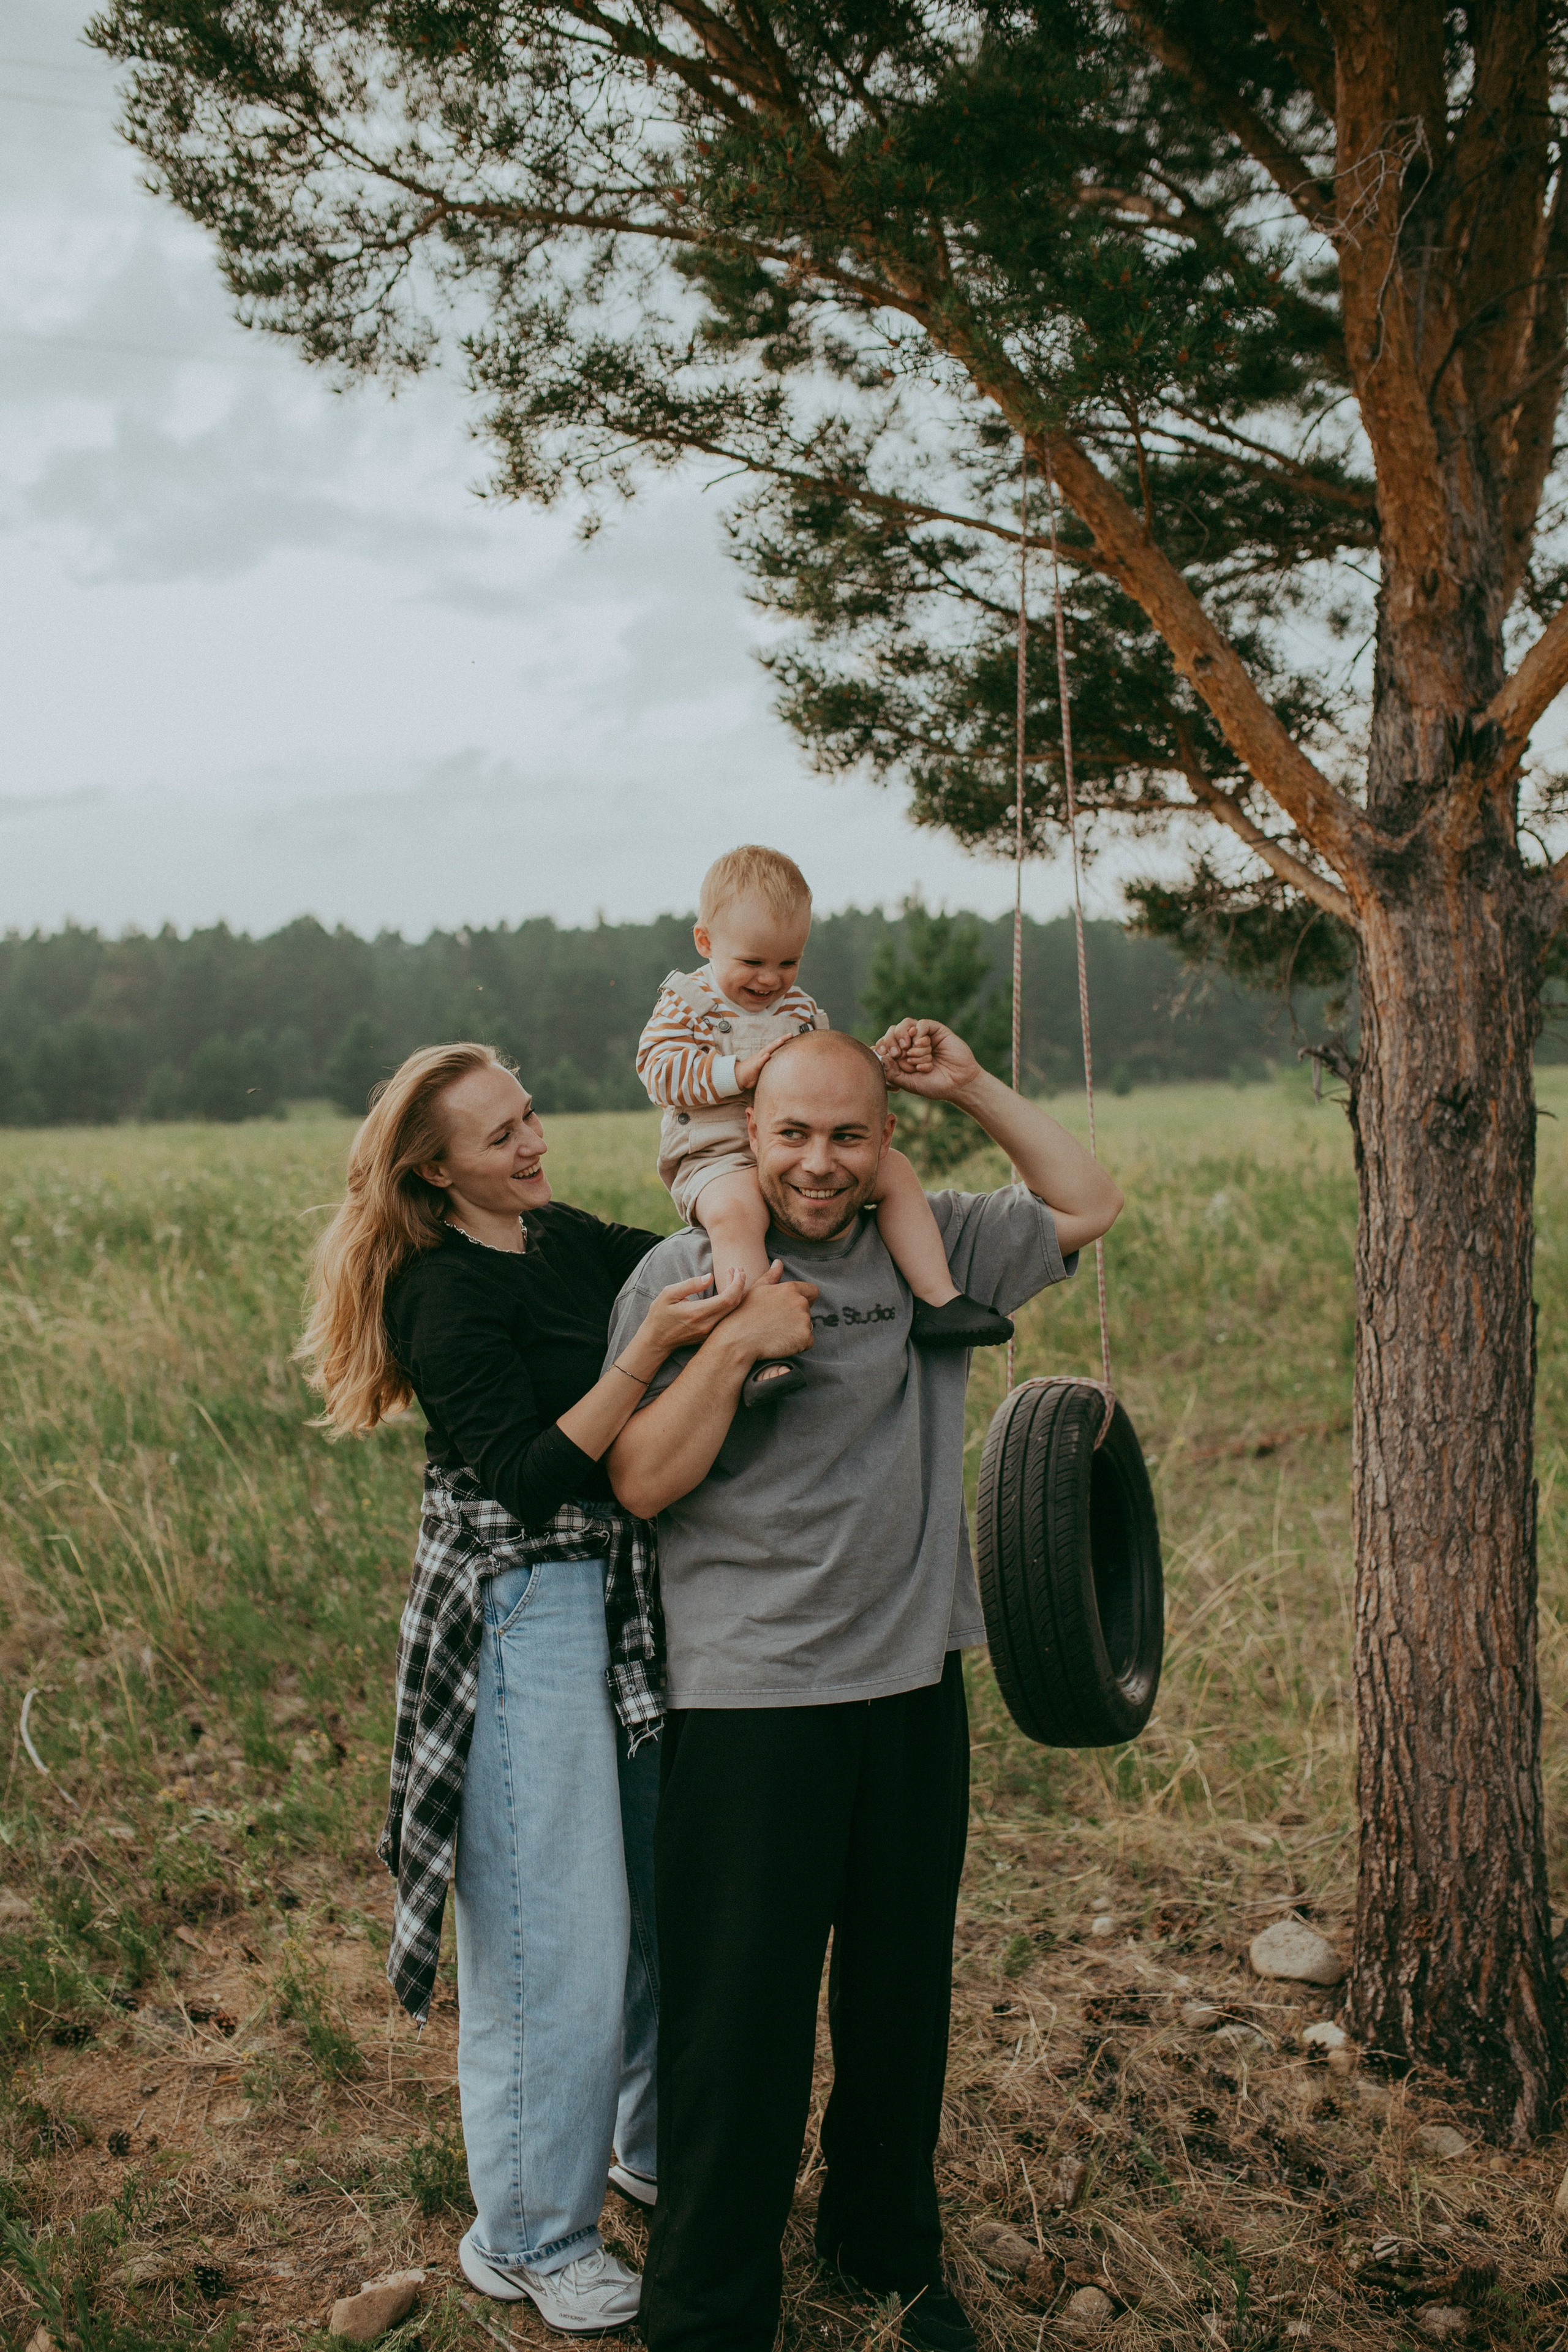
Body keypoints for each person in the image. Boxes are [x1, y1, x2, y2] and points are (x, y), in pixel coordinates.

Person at [604, 1017, 1124, 2352]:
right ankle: (710, 2305)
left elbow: (1086, 1200)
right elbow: (642, 1481)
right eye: (791, 1135)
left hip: (905, 1688)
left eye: (847, 1135)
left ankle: (882, 2246)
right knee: (740, 2023)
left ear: (885, 1142)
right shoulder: (682, 1269)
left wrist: (967, 1083)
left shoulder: (929, 1252)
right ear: (745, 1137)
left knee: (898, 1998)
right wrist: (733, 1346)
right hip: (745, 1704)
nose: (818, 1164)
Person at [296, 1041, 810, 2337]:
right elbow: (528, 1475)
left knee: (649, 1892)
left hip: (626, 1594)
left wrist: (753, 1175)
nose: (531, 1143)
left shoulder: (564, 1236)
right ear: (433, 1170)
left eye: (528, 1115)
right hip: (521, 1608)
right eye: (497, 1137)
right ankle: (526, 2233)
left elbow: (698, 1250)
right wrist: (644, 1357)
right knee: (550, 1938)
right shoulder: (438, 1293)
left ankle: (637, 2148)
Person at [636, 844, 1013, 1404]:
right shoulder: (688, 1003)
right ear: (706, 942)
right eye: (753, 962)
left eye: (788, 963)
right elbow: (657, 1070)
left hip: (792, 1149)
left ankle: (938, 1300)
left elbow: (826, 1076)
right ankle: (760, 1348)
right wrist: (739, 1071)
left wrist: (877, 1066)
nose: (770, 979)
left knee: (896, 1170)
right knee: (738, 1214)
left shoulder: (800, 1010)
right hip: (714, 1155)